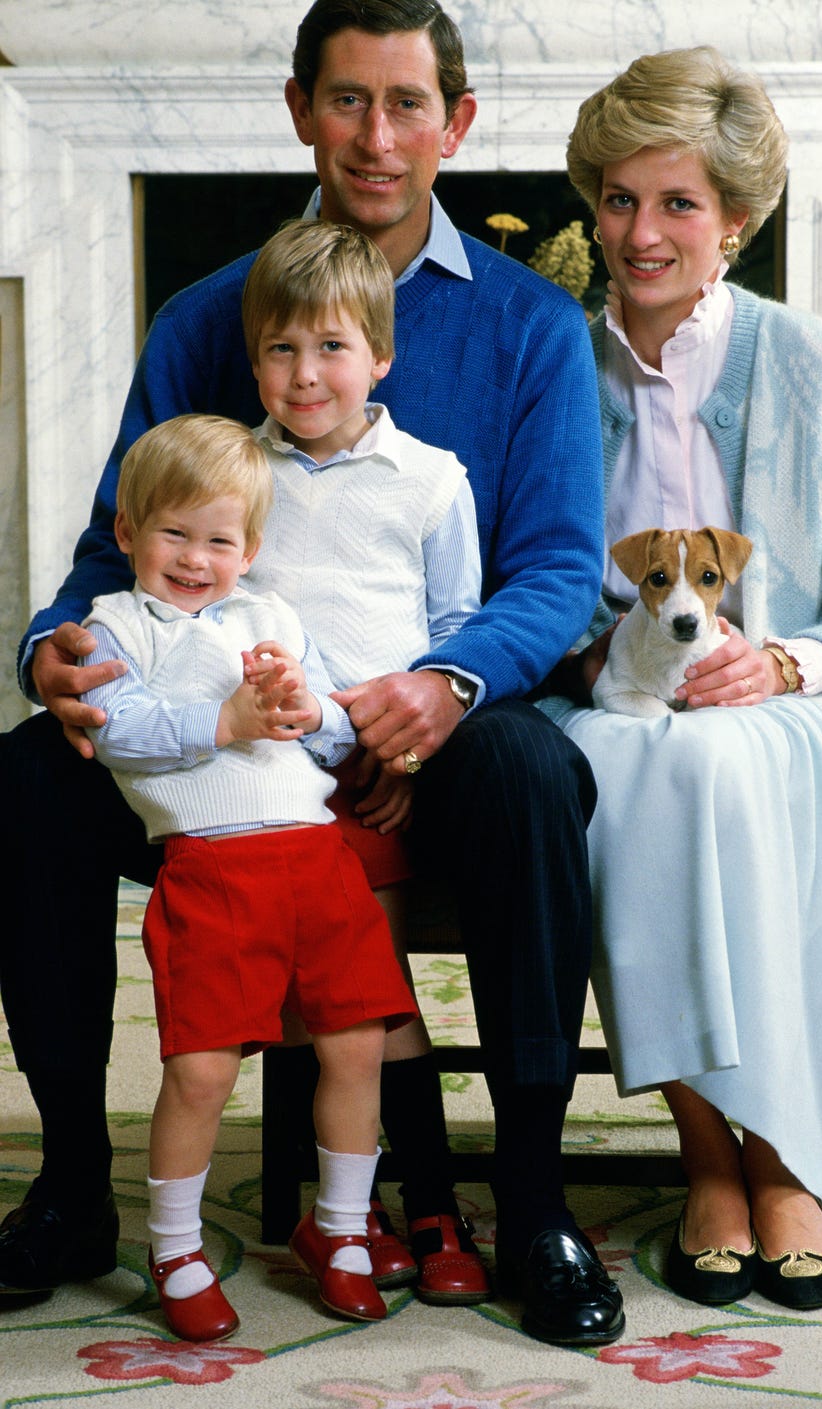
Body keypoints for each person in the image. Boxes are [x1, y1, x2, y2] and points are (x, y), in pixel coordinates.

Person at [0, 0, 624, 1348]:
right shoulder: (216, 314)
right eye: (348, 101)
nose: (378, 138)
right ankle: (70, 1184)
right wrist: (51, 646)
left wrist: (446, 689)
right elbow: (125, 530)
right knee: (27, 775)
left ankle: (531, 1194)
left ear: (457, 123)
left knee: (531, 772)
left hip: (438, 723)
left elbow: (559, 570)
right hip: (233, 735)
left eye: (409, 105)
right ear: (300, 110)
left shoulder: (529, 326)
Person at [539, 45, 822, 1312]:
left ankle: (778, 1148)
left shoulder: (817, 368)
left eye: (677, 202)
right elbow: (522, 577)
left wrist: (783, 656)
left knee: (718, 757)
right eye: (619, 198)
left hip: (805, 717)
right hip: (619, 712)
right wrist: (602, 654)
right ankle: (709, 1150)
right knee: (648, 758)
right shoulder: (554, 368)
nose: (641, 231)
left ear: (735, 219)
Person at [82, 413, 419, 1339]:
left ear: (251, 548)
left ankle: (341, 1228)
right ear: (128, 533)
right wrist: (224, 723)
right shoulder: (110, 627)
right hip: (211, 868)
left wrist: (307, 706)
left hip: (315, 857)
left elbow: (339, 733)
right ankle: (177, 1244)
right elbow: (121, 734)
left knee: (354, 1046)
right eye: (173, 534)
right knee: (200, 1068)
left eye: (219, 539)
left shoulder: (272, 618)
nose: (196, 558)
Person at [244, 214, 488, 1305]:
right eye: (282, 348)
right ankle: (345, 1211)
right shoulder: (234, 470)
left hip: (378, 780)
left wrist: (411, 745)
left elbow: (457, 624)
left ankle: (428, 1199)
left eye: (332, 346)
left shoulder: (429, 479)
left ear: (379, 355)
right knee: (312, 1005)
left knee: (370, 1000)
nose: (306, 374)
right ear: (255, 357)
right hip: (265, 780)